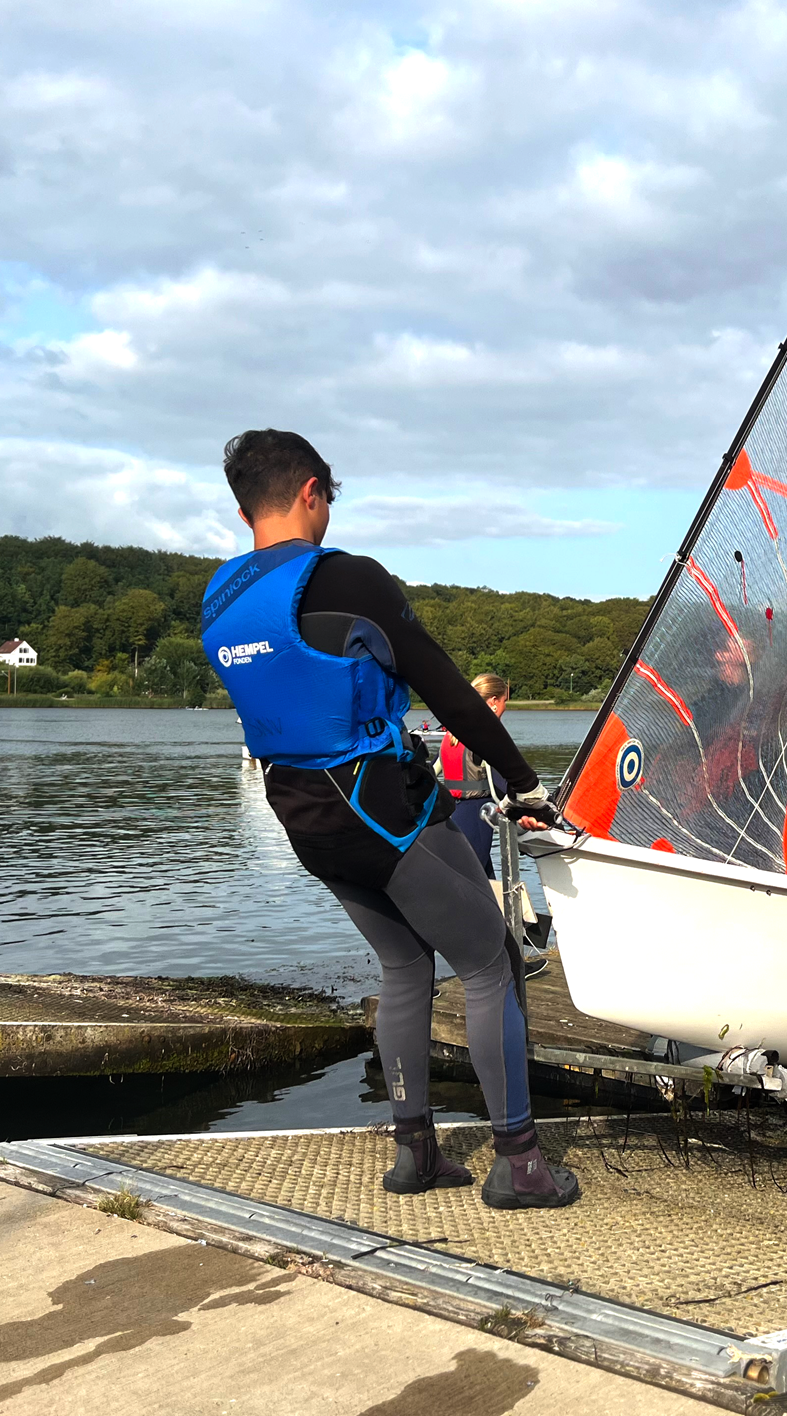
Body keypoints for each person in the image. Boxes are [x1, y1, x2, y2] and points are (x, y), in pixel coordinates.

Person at [201, 430, 578, 1211]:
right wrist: (521, 779)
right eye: (328, 497)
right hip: (377, 807)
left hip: (302, 819)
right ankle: (520, 1164)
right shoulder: (346, 579)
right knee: (491, 962)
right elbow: (448, 690)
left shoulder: (220, 598)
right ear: (313, 491)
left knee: (406, 968)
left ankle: (416, 1154)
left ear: (245, 512)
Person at [438, 673, 512, 875]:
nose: (505, 707)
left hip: (453, 813)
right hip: (479, 813)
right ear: (493, 701)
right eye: (505, 701)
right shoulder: (487, 733)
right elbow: (504, 784)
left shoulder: (452, 732)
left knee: (484, 876)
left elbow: (434, 770)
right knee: (475, 879)